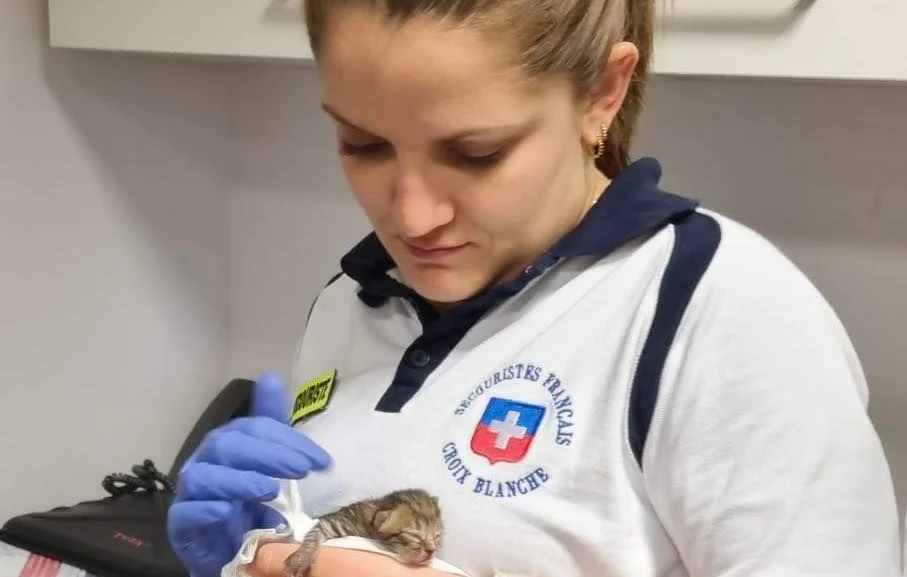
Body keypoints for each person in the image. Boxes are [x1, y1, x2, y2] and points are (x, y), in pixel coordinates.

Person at [166, 1, 904, 576]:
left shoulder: (715, 307)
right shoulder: (348, 303)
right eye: (363, 145)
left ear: (602, 94)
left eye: (475, 153)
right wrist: (247, 552)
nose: (412, 216)